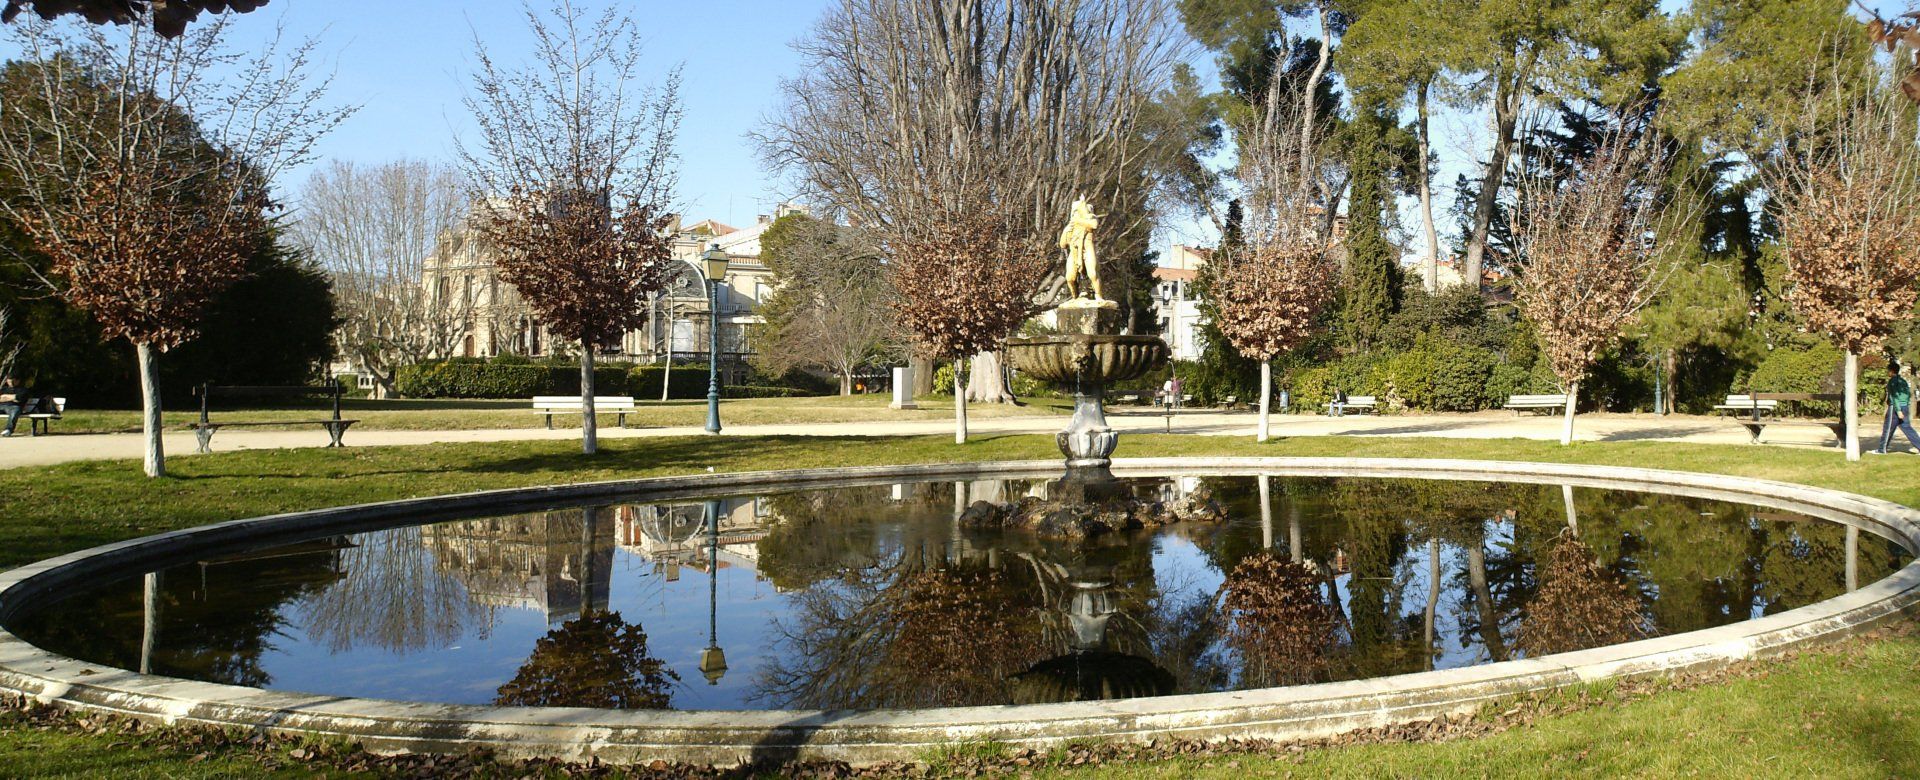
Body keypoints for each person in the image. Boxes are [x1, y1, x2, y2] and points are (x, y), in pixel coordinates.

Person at [1875, 358, 1919, 455]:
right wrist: (1905, 405)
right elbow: (1908, 394)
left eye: (1888, 371)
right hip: (1905, 406)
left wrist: (1898, 410)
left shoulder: (1892, 381)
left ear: (1891, 371)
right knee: (1907, 428)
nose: (1887, 372)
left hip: (1895, 408)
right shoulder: (1903, 381)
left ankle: (1882, 449)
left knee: (1888, 428)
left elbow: (1894, 396)